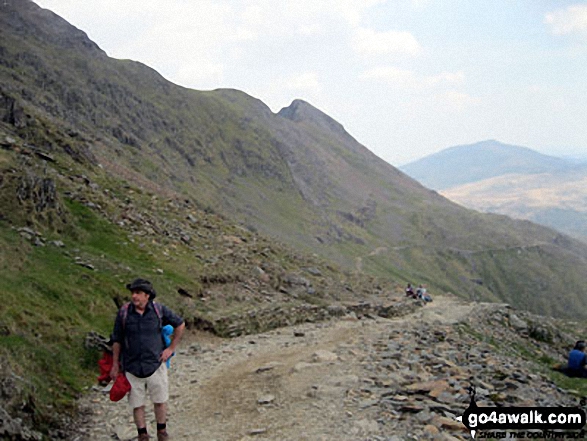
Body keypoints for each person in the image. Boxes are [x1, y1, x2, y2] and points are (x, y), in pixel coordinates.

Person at [110, 278, 186, 441]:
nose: (134, 296)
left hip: (155, 364)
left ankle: (161, 432)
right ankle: (142, 435)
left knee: (160, 400)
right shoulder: (124, 313)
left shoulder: (159, 310)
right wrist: (115, 364)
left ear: (147, 295)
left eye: (138, 293)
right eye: (133, 293)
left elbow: (180, 324)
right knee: (137, 404)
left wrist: (171, 349)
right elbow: (116, 339)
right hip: (131, 366)